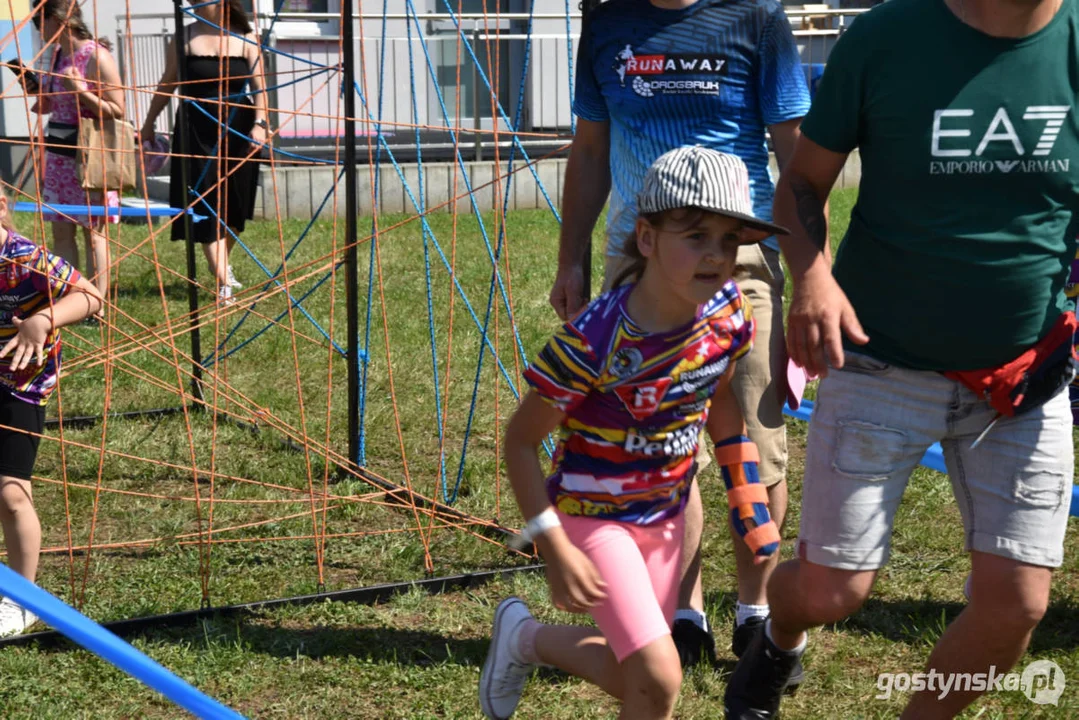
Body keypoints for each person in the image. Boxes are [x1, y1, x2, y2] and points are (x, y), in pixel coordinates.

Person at [725, 0, 1079, 717]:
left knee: (1016, 605)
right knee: (832, 591)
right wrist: (813, 278)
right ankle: (780, 632)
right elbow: (801, 185)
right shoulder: (888, 36)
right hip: (879, 360)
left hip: (1021, 376)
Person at [549, 0, 811, 668]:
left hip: (738, 257)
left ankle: (754, 609)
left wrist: (812, 272)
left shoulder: (756, 20)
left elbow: (796, 154)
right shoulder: (607, 25)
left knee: (756, 438)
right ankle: (683, 610)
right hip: (634, 260)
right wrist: (570, 259)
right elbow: (590, 147)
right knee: (665, 446)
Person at [479, 147, 785, 720]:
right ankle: (527, 636)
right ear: (646, 238)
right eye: (695, 236)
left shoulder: (729, 314)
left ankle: (524, 638)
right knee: (660, 676)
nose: (716, 255)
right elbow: (519, 443)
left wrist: (744, 488)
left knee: (638, 678)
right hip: (592, 520)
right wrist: (552, 543)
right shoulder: (594, 340)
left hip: (666, 522)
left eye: (728, 240)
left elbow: (716, 398)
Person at [0, 185, 104, 636]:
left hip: (20, 384)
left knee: (9, 491)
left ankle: (22, 598)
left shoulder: (26, 257)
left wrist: (44, 320)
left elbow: (92, 296)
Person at [139, 0, 269, 304]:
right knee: (205, 204)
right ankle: (223, 284)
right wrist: (148, 123)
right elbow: (167, 82)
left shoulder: (247, 37)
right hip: (196, 130)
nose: (193, 3)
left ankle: (223, 265)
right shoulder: (184, 37)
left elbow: (260, 89)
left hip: (240, 131)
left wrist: (261, 124)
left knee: (235, 210)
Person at [28, 0, 124, 321]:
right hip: (57, 155)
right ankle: (70, 302)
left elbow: (118, 109)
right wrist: (35, 89)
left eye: (40, 22)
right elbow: (48, 107)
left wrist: (81, 91)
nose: (37, 30)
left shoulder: (96, 55)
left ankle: (96, 305)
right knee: (61, 233)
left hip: (88, 157)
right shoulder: (57, 56)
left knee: (93, 231)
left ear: (59, 20)